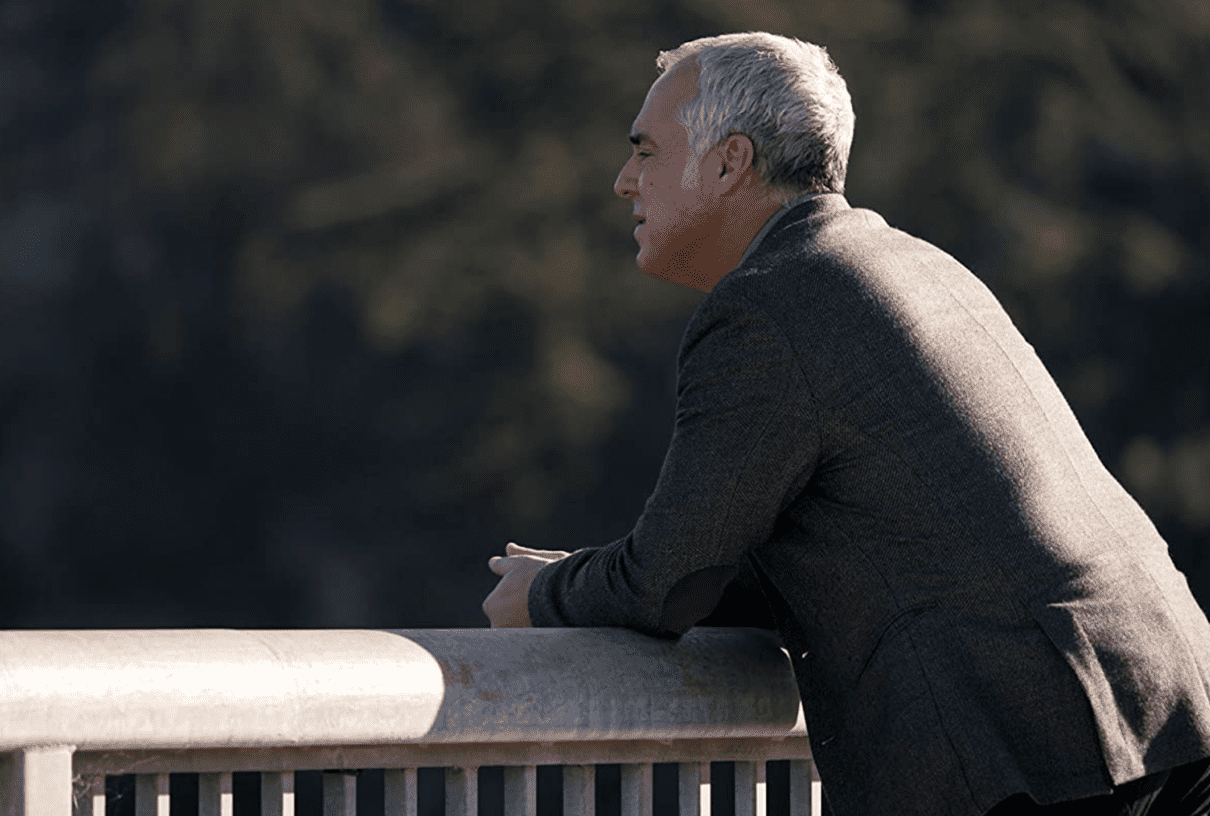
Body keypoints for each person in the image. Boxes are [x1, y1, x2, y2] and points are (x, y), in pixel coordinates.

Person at [481, 32, 1210, 816]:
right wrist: (601, 574)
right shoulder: (913, 263)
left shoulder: (766, 304)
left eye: (647, 151)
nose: (624, 181)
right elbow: (764, 561)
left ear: (729, 162)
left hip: (1042, 756)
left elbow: (670, 583)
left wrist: (545, 594)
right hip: (1165, 708)